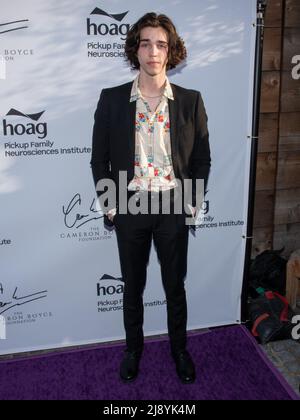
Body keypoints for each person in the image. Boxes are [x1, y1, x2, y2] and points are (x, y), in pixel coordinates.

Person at [91, 12, 211, 384]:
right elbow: (100, 159)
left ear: (171, 51)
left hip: (173, 204)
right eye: (145, 43)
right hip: (130, 205)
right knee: (133, 286)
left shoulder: (190, 101)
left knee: (175, 286)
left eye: (161, 44)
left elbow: (202, 158)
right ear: (135, 49)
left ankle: (179, 350)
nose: (153, 51)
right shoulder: (112, 100)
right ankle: (133, 350)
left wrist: (192, 202)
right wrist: (111, 206)